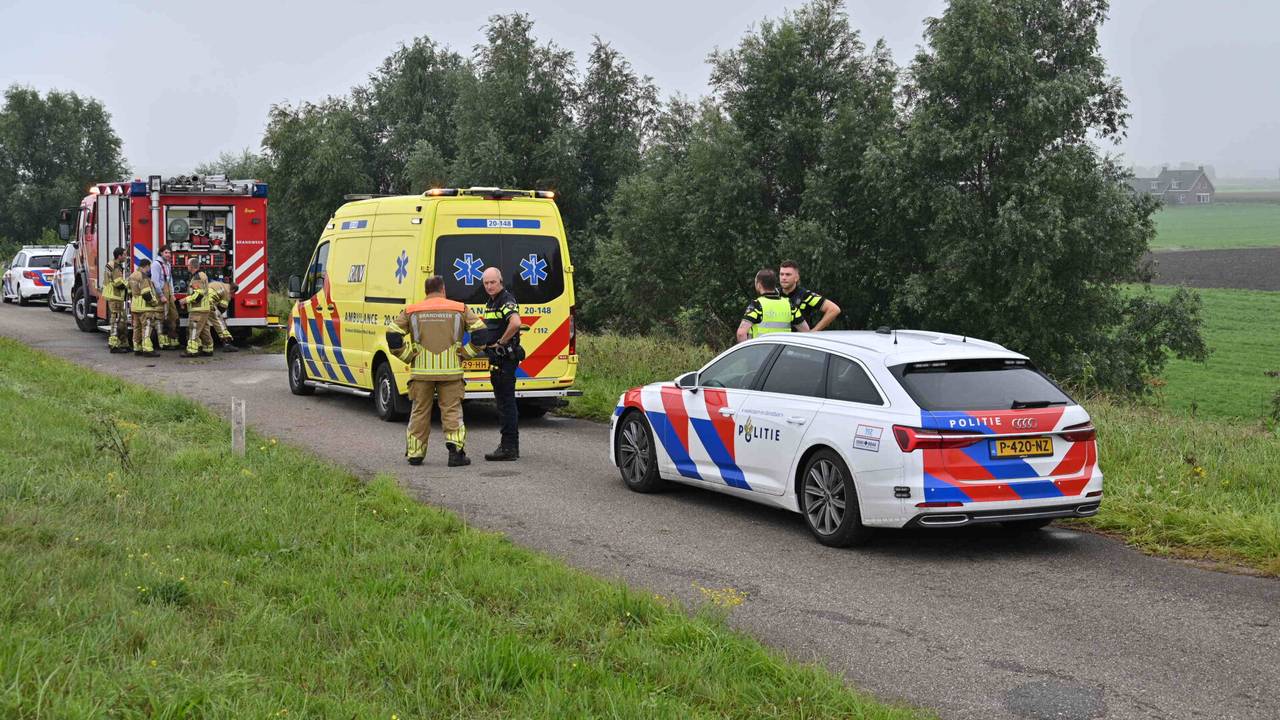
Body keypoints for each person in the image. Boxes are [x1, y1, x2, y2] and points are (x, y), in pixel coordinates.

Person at [387, 275, 485, 467]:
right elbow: (481, 333)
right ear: (443, 289)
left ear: (426, 291)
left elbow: (392, 335)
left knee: (419, 411)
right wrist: (465, 354)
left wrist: (408, 356)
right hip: (451, 371)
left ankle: (415, 454)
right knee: (452, 411)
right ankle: (456, 454)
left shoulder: (411, 310)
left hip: (421, 373)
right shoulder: (460, 309)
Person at [480, 267, 522, 461]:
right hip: (497, 360)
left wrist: (501, 343)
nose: (489, 286)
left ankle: (509, 448)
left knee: (506, 403)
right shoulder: (491, 302)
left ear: (500, 281)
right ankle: (509, 446)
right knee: (503, 403)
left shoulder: (505, 299)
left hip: (505, 359)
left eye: (493, 282)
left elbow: (515, 323)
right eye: (486, 283)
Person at [736, 268, 808, 343]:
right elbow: (805, 331)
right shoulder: (788, 304)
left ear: (759, 285)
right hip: (783, 349)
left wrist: (748, 350)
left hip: (761, 349)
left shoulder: (757, 305)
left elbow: (741, 334)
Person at [779, 260, 841, 331]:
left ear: (796, 278)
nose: (783, 277)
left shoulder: (805, 295)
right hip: (777, 337)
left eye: (788, 274)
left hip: (799, 338)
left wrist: (814, 330)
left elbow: (834, 309)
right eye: (781, 274)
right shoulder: (774, 294)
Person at [179, 257, 214, 357]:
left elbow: (198, 295)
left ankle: (192, 350)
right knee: (204, 330)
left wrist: (185, 300)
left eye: (188, 265)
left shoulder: (197, 277)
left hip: (198, 309)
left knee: (194, 329)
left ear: (191, 266)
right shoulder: (201, 275)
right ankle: (208, 348)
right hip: (204, 308)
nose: (187, 267)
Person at [127, 257, 160, 357]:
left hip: (135, 307)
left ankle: (137, 348)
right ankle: (147, 349)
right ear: (146, 266)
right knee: (147, 327)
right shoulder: (143, 277)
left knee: (136, 328)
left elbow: (129, 291)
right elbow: (146, 294)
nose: (149, 269)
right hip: (145, 307)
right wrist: (154, 302)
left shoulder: (132, 276)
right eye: (149, 267)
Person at [150, 245, 180, 350]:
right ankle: (162, 341)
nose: (168, 255)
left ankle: (172, 338)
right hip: (160, 292)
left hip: (168, 292)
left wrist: (172, 294)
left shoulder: (168, 264)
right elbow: (155, 281)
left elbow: (170, 280)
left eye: (169, 253)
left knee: (173, 315)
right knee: (160, 316)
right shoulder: (156, 265)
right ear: (161, 253)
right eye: (166, 252)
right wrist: (161, 295)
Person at [103, 247, 131, 353]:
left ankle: (122, 343)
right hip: (115, 297)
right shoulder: (115, 267)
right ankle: (114, 345)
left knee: (120, 320)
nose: (126, 257)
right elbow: (118, 282)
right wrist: (128, 285)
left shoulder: (112, 264)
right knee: (116, 321)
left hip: (114, 296)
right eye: (124, 255)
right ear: (119, 256)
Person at [207, 280, 239, 352]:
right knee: (220, 323)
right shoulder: (227, 292)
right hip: (209, 304)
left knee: (202, 325)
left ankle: (202, 347)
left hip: (200, 304)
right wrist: (219, 315)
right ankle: (227, 343)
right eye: (233, 293)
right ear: (233, 290)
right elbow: (223, 307)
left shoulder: (219, 284)